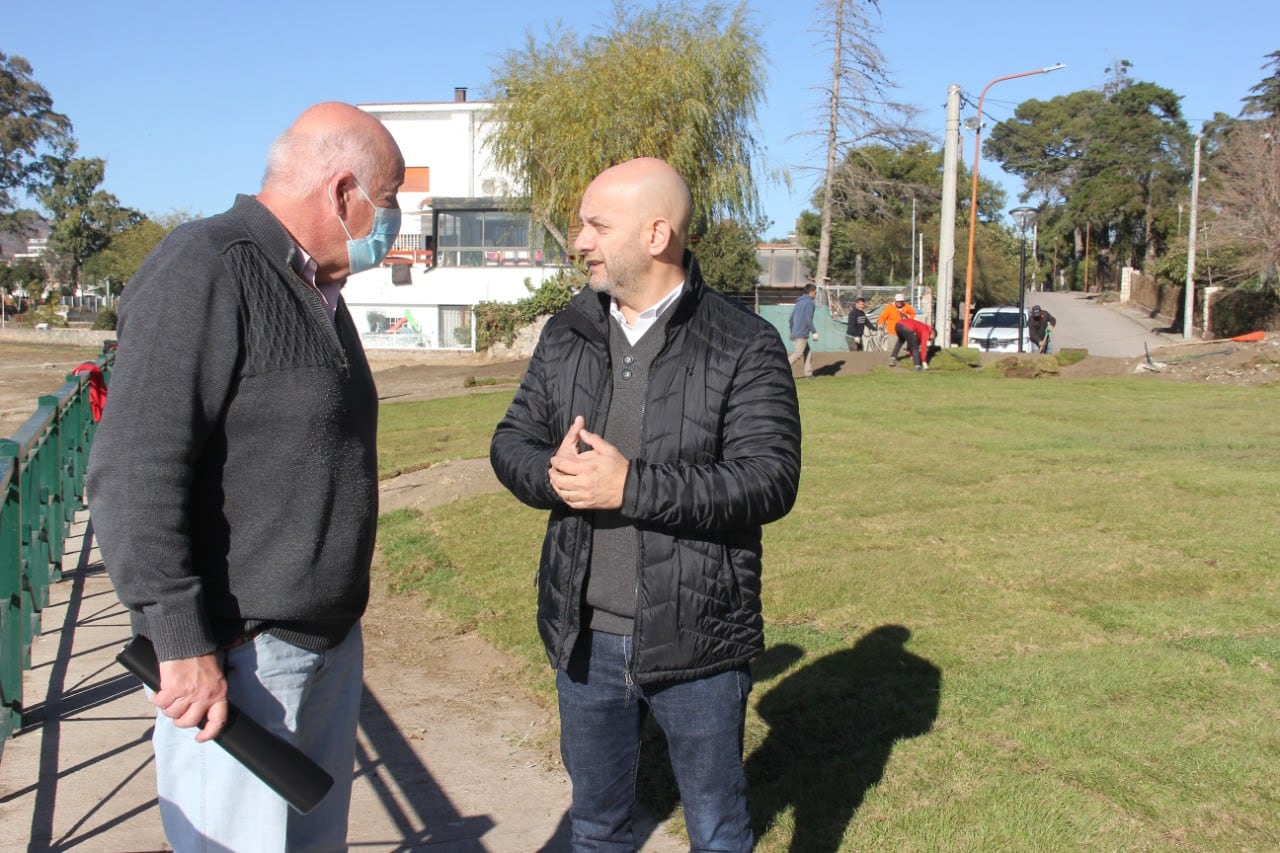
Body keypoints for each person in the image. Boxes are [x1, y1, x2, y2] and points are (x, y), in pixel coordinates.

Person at [86, 102, 405, 851]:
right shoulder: (207, 265)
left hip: (321, 647)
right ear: (342, 192)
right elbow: (133, 468)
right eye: (388, 201)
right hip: (238, 664)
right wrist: (179, 640)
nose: (393, 221)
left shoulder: (321, 297)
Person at [489, 157, 802, 852]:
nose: (579, 241)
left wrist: (631, 486)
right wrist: (550, 471)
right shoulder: (567, 331)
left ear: (657, 233)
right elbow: (511, 439)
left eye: (597, 225)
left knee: (717, 828)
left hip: (699, 639)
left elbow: (769, 479)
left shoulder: (743, 343)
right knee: (596, 826)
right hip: (584, 636)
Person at [877, 292, 917, 366]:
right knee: (892, 347)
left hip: (904, 331)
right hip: (893, 331)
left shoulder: (906, 307)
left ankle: (901, 363)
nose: (899, 303)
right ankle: (891, 361)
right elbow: (882, 317)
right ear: (895, 301)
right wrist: (880, 324)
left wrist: (909, 318)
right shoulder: (889, 307)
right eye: (898, 301)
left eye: (901, 301)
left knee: (903, 348)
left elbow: (913, 313)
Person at [788, 282, 818, 378]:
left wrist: (792, 331)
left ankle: (808, 373)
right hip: (802, 332)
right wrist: (814, 331)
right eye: (815, 292)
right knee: (798, 353)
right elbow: (808, 319)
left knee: (807, 352)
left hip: (796, 331)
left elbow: (791, 319)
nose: (815, 294)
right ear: (811, 292)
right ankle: (782, 369)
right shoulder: (810, 303)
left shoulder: (799, 302)